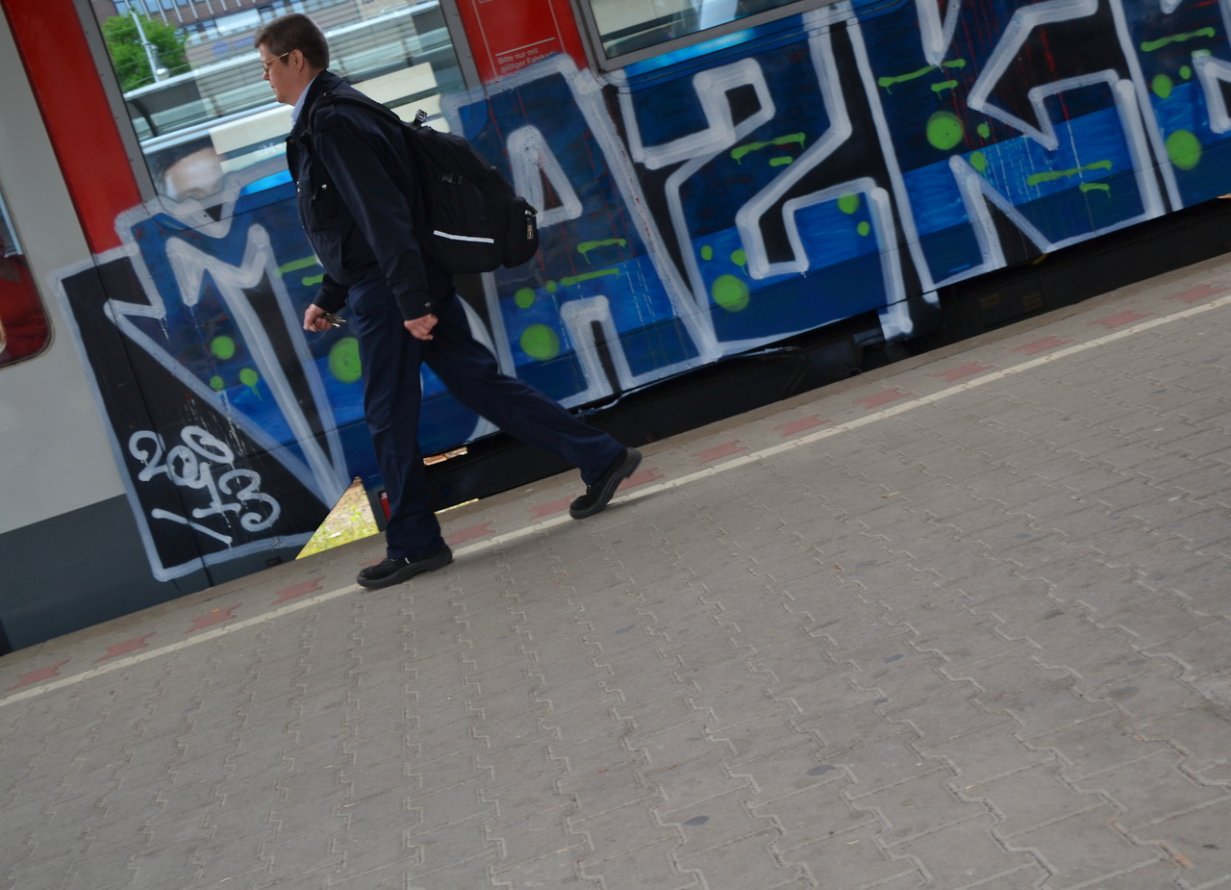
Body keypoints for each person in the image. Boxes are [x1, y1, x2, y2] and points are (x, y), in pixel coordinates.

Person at [254, 15, 641, 590]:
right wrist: (331, 293)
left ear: (296, 60)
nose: (266, 78)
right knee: (479, 383)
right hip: (398, 281)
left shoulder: (331, 121)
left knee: (388, 415)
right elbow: (355, 221)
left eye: (268, 66)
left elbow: (384, 215)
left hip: (391, 291)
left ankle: (416, 544)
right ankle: (602, 456)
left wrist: (410, 301)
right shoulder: (339, 110)